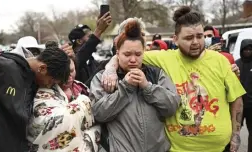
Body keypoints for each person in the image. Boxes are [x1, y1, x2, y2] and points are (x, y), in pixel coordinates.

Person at [101, 6, 245, 152]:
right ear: (175, 39)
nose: (195, 42)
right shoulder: (163, 58)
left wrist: (236, 134)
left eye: (199, 36)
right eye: (189, 38)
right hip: (177, 149)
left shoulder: (220, 61)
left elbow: (236, 99)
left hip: (220, 148)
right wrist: (110, 69)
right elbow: (128, 55)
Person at [90, 20, 180, 152]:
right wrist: (125, 87)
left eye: (138, 54)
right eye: (127, 54)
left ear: (144, 52)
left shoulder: (156, 73)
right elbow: (98, 114)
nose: (133, 59)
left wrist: (147, 87)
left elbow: (171, 107)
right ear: (117, 53)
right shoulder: (104, 78)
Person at [28, 43, 100, 151]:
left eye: (71, 71)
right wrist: (84, 102)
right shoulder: (41, 92)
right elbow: (49, 123)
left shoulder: (83, 89)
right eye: (63, 75)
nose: (68, 77)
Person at [68, 12, 112, 84]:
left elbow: (103, 65)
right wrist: (99, 30)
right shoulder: (72, 62)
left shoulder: (91, 61)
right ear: (79, 41)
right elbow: (81, 56)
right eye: (89, 37)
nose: (95, 39)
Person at [236, 39, 252, 152]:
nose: (248, 51)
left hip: (251, 105)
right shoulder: (236, 64)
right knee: (234, 130)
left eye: (250, 49)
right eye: (245, 49)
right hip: (238, 104)